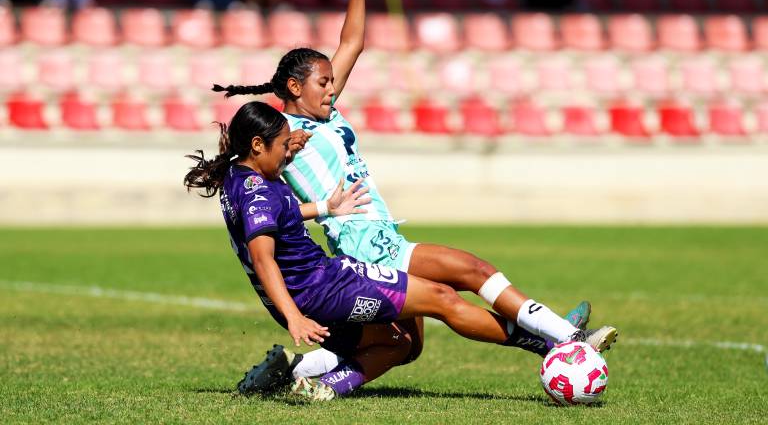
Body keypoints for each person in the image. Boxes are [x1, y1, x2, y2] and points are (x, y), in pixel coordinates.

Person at [212, 0, 616, 395]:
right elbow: (263, 165)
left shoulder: (325, 111)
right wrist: (286, 159)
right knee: (470, 273)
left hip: (378, 233)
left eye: (331, 81)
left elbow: (353, 42)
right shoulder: (285, 133)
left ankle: (297, 371)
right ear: (295, 88)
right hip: (362, 241)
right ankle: (563, 338)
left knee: (407, 344)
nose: (332, 88)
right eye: (323, 82)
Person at [184, 99, 618, 401]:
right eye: (283, 147)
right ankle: (550, 344)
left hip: (315, 286)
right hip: (323, 287)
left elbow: (280, 217)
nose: (288, 154)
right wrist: (295, 316)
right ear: (257, 145)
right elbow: (264, 259)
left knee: (398, 343)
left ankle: (309, 380)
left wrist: (325, 207)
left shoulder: (240, 179)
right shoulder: (258, 192)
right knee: (442, 297)